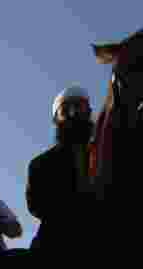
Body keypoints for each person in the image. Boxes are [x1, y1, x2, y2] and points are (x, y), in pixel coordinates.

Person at [25, 85, 95, 255]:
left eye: (78, 107)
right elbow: (36, 205)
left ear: (89, 111)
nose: (73, 113)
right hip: (54, 247)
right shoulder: (40, 164)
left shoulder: (107, 155)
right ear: (56, 119)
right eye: (66, 110)